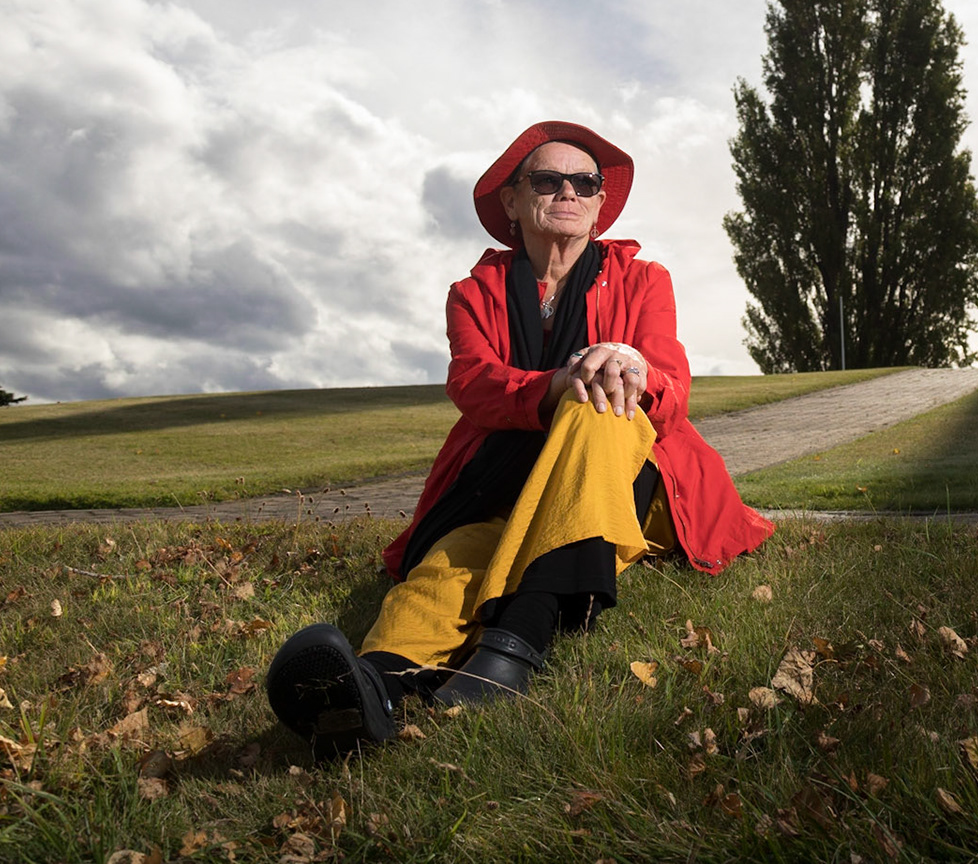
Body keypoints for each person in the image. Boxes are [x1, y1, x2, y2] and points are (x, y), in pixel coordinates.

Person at [264, 121, 774, 757]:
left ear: (598, 204)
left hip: (631, 472)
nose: (569, 191)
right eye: (547, 179)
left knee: (600, 402)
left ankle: (517, 639)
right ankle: (374, 689)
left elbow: (671, 385)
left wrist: (628, 370)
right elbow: (474, 382)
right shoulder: (473, 293)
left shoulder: (644, 279)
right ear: (512, 201)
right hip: (504, 474)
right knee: (452, 562)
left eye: (584, 182)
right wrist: (556, 382)